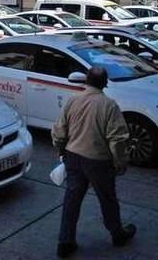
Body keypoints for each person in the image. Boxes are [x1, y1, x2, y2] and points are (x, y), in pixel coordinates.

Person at [52, 67, 136, 258]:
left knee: (71, 200)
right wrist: (120, 162)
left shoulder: (73, 100)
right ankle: (117, 234)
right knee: (107, 199)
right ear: (105, 83)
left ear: (86, 81)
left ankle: (65, 242)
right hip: (98, 161)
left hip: (73, 156)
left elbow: (59, 131)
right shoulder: (109, 105)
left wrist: (60, 151)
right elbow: (117, 139)